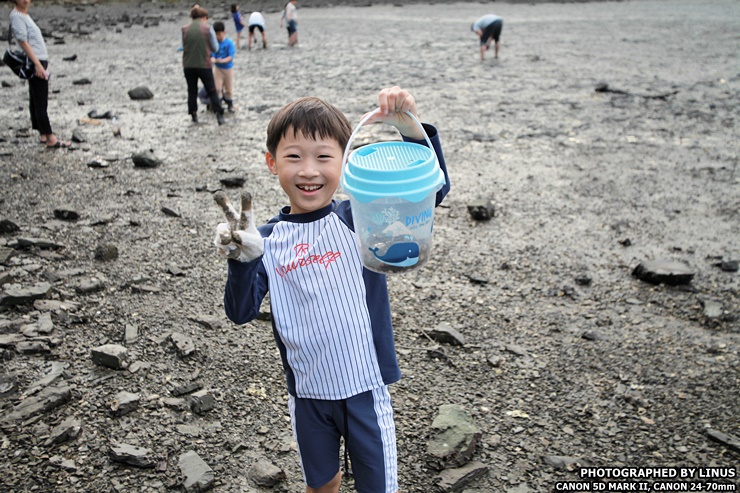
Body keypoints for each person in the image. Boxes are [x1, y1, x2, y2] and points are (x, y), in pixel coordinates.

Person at [213, 86, 450, 493]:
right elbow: (240, 312)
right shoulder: (265, 240)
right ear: (271, 162)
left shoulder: (360, 218)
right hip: (308, 394)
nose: (309, 171)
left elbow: (430, 191)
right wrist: (242, 261)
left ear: (344, 161)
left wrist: (410, 128)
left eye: (324, 157)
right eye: (293, 157)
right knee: (322, 485)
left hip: (365, 388)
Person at [8, 0, 71, 148]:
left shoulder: (23, 14)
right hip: (35, 62)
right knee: (41, 101)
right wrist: (37, 64)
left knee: (35, 98)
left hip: (37, 61)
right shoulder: (17, 16)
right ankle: (50, 138)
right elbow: (23, 42)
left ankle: (42, 133)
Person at [182, 5, 225, 125]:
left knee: (192, 90)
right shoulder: (207, 29)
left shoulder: (185, 28)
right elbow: (215, 48)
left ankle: (193, 115)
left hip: (188, 65)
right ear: (203, 17)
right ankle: (219, 115)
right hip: (204, 64)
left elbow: (184, 45)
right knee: (212, 90)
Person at [211, 21, 237, 113]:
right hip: (217, 69)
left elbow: (231, 56)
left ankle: (230, 105)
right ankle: (218, 106)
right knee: (217, 88)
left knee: (228, 88)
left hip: (228, 69)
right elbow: (212, 55)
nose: (218, 36)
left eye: (219, 34)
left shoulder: (229, 43)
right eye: (216, 35)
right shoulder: (214, 44)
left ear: (224, 32)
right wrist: (214, 60)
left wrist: (222, 60)